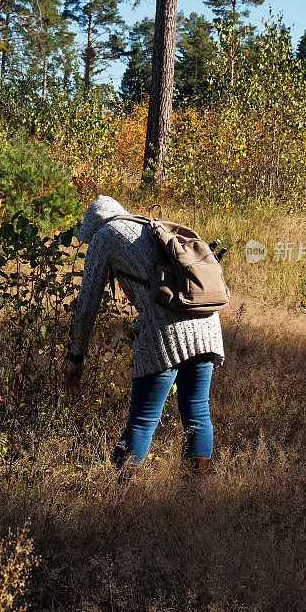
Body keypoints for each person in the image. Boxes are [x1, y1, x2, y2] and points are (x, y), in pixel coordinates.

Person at [63, 195, 225, 476]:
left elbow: (87, 301)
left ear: (94, 225)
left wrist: (76, 357)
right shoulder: (150, 227)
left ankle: (119, 496)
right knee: (198, 414)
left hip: (165, 335)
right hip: (207, 324)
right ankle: (197, 494)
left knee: (141, 421)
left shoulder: (105, 236)